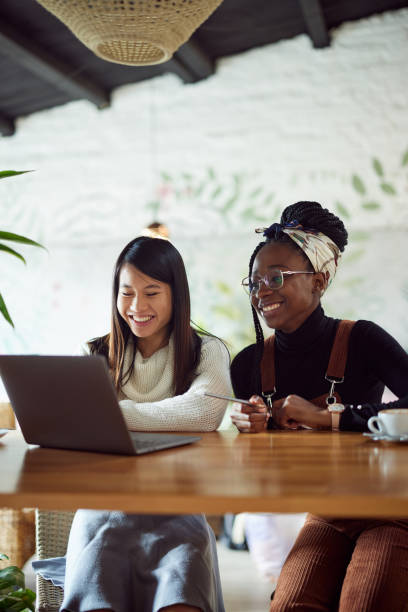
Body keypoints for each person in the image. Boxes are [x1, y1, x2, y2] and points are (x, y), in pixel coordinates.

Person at [33, 235, 232, 612]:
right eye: (127, 293)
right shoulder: (95, 353)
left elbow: (205, 412)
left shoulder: (206, 351)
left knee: (182, 596)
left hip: (179, 509)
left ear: (177, 294)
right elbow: (73, 430)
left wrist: (109, 415)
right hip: (104, 509)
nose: (137, 306)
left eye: (152, 292)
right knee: (96, 598)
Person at [230, 201, 408, 611]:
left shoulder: (364, 340)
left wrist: (329, 416)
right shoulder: (248, 365)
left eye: (276, 277)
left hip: (391, 510)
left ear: (320, 281)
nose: (262, 292)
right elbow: (258, 468)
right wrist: (252, 429)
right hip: (327, 514)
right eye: (254, 283)